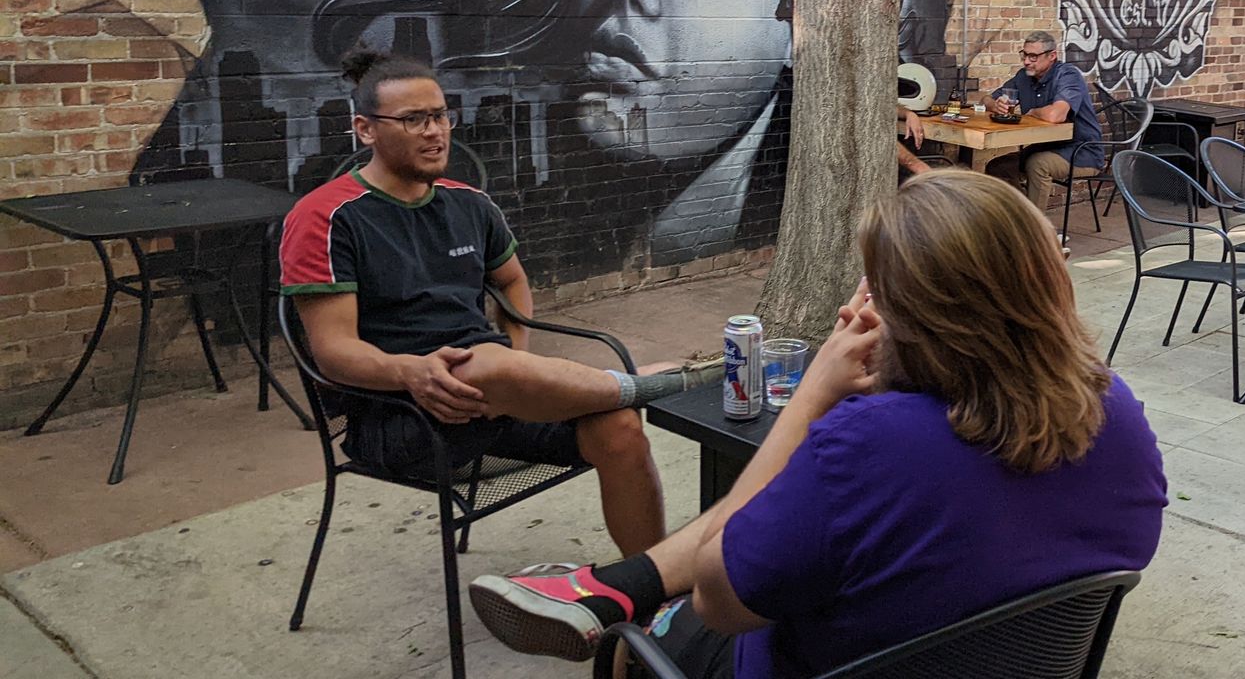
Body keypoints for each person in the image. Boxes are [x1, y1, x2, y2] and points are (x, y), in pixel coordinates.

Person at [466, 171, 1167, 674]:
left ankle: (627, 593)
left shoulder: (866, 444)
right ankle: (620, 581)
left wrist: (813, 398)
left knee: (642, 644)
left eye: (880, 295)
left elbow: (717, 596)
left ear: (915, 317)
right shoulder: (1124, 417)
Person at [280, 49, 718, 556]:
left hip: (500, 400)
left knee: (617, 428)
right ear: (366, 129)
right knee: (483, 362)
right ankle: (642, 385)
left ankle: (648, 585)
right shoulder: (324, 217)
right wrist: (412, 373)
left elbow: (512, 280)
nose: (434, 131)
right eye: (413, 119)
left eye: (441, 115)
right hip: (405, 417)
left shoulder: (469, 203)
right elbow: (333, 352)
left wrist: (517, 351)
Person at [983, 32, 1104, 210]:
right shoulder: (1023, 77)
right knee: (998, 167)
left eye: (1033, 56)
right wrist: (995, 105)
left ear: (1052, 56)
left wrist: (1033, 112)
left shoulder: (1068, 75)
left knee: (1038, 164)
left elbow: (1056, 116)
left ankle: (1037, 232)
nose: (1026, 61)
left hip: (1082, 151)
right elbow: (985, 99)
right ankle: (1022, 216)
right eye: (1024, 55)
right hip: (1043, 147)